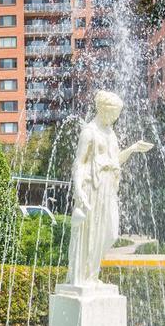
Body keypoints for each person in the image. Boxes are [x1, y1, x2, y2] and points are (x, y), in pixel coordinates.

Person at [65, 90, 152, 285]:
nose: (116, 117)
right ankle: (86, 277)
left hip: (108, 187)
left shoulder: (110, 132)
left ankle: (92, 274)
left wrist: (132, 149)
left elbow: (115, 161)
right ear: (104, 110)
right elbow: (79, 164)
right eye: (114, 114)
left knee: (109, 232)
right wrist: (79, 191)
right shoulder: (89, 132)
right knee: (90, 232)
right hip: (92, 187)